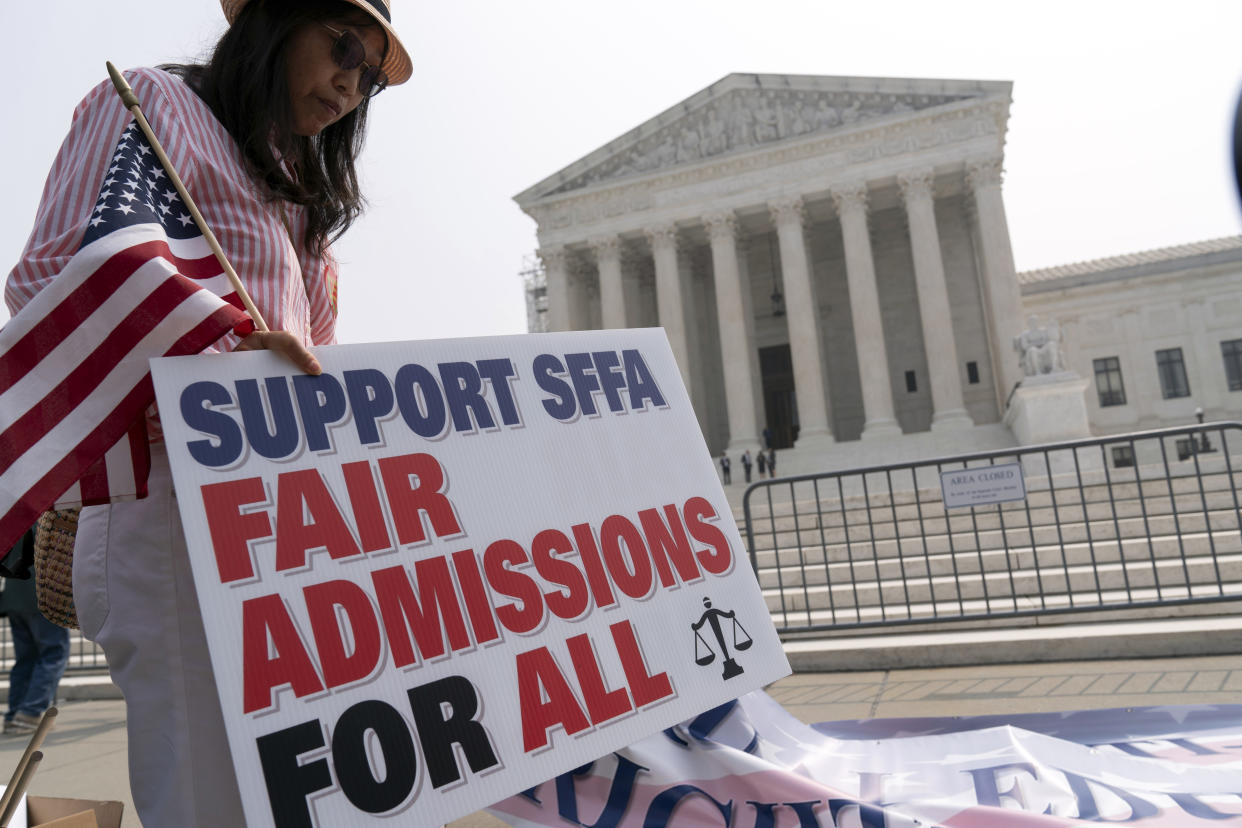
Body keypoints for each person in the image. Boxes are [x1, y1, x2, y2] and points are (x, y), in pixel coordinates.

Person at [4, 1, 411, 823]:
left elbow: (308, 352)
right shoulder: (150, 106)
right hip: (168, 508)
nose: (350, 82)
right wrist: (224, 347)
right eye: (341, 47)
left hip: (282, 521)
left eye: (370, 75)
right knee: (203, 795)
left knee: (290, 792)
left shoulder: (300, 190)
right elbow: (50, 278)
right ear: (274, 19)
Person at [0, 531, 69, 735]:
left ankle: (15, 714)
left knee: (26, 658)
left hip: (15, 592)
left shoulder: (15, 509)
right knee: (54, 652)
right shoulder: (46, 512)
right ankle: (30, 712)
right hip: (42, 592)